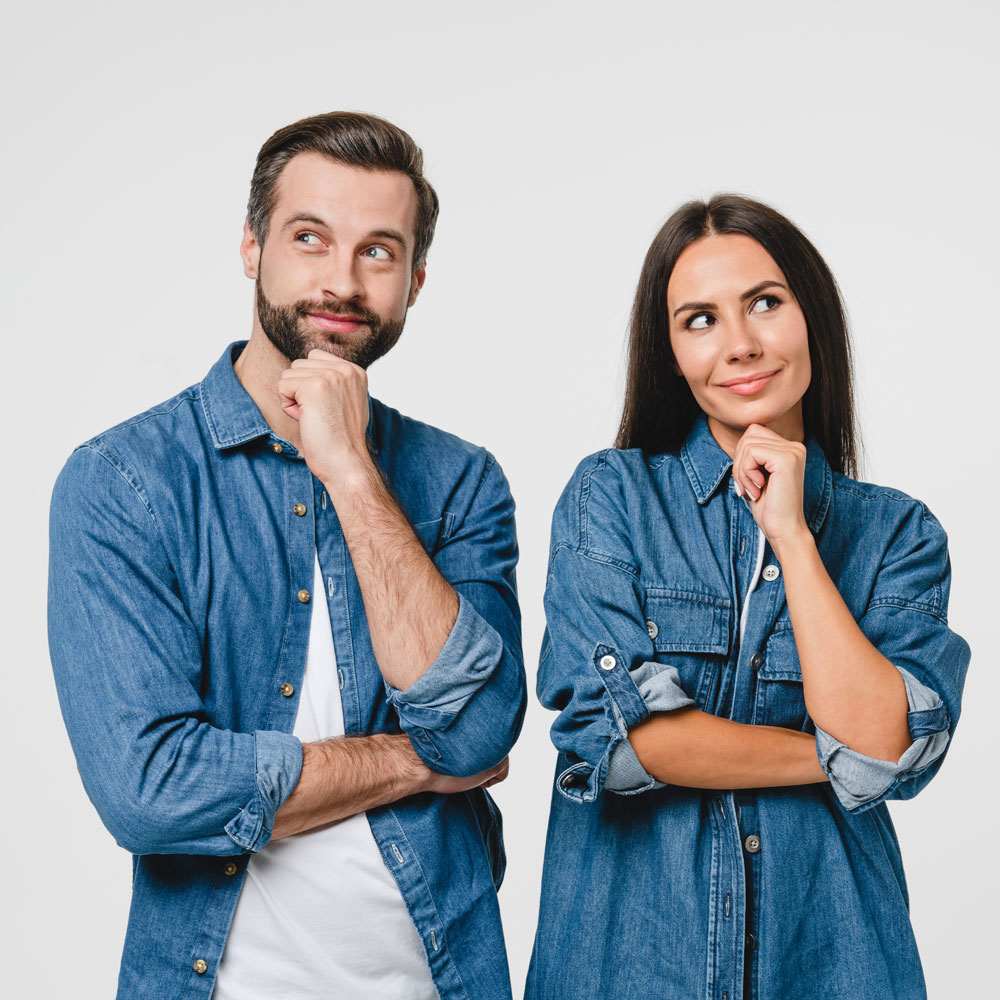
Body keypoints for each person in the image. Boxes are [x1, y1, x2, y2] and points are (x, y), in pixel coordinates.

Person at [47, 111, 526, 1000]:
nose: (341, 281)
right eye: (311, 239)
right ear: (251, 245)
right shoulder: (125, 482)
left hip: (441, 979)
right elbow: (148, 789)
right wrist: (414, 763)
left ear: (416, 280)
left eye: (378, 252)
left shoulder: (458, 481)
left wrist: (348, 472)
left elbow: (478, 727)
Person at [524, 194, 971, 1000]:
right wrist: (839, 762)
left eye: (765, 303)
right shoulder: (611, 498)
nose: (740, 345)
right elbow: (630, 743)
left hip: (836, 965)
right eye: (700, 319)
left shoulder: (898, 537)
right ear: (669, 351)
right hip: (626, 968)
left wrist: (794, 539)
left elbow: (883, 735)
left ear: (812, 316)